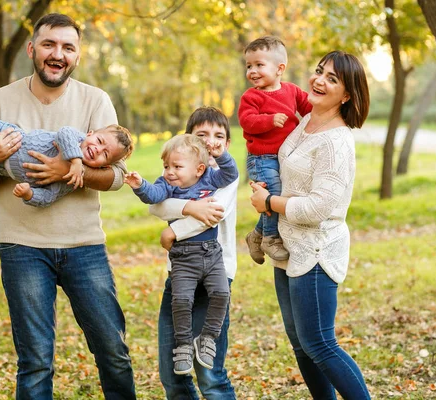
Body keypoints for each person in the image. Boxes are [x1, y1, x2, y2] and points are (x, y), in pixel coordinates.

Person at [0, 13, 136, 399]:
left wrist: (64, 170)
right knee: (36, 361)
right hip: (22, 247)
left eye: (67, 47)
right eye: (49, 45)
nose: (57, 54)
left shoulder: (95, 100)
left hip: (84, 246)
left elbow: (117, 176)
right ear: (32, 49)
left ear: (76, 56)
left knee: (113, 352)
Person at [250, 50, 371, 399]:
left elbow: (321, 206)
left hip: (316, 251)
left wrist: (270, 202)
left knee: (320, 343)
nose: (319, 80)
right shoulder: (305, 121)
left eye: (332, 79)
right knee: (302, 345)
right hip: (288, 247)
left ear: (346, 95)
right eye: (320, 72)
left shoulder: (336, 141)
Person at [124, 133, 238, 376]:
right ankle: (184, 344)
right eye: (166, 166)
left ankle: (207, 337)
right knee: (181, 301)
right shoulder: (166, 185)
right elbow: (153, 197)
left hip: (212, 254)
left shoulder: (209, 178)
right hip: (183, 257)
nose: (169, 171)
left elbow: (230, 174)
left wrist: (221, 155)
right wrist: (140, 185)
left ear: (198, 169)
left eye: (176, 166)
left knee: (221, 293)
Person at [149, 107, 238, 399]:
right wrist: (189, 207)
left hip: (216, 274)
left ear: (227, 144)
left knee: (210, 376)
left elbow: (214, 213)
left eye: (219, 136)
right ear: (189, 143)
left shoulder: (224, 177)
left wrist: (174, 230)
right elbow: (156, 206)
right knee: (172, 371)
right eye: (202, 136)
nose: (211, 142)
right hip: (181, 275)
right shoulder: (176, 173)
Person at [0, 98, 133, 207]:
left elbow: (49, 197)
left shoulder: (71, 182)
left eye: (105, 154)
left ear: (105, 166)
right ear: (90, 133)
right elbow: (64, 133)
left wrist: (29, 194)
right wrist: (75, 161)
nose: (97, 149)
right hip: (7, 135)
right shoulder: (76, 139)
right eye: (99, 141)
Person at [239, 36, 312, 265]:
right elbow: (247, 121)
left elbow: (310, 108)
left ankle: (256, 235)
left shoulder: (291, 91)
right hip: (263, 159)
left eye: (259, 65)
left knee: (282, 195)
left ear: (280, 68)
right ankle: (270, 238)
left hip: (286, 157)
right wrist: (270, 120)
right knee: (274, 197)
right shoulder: (251, 96)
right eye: (249, 66)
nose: (252, 71)